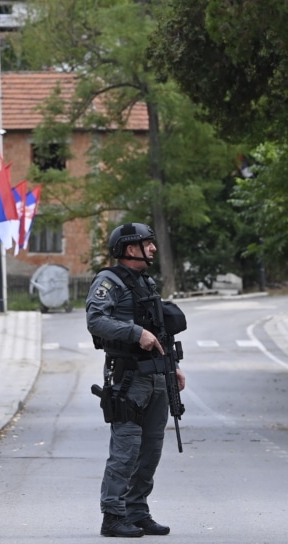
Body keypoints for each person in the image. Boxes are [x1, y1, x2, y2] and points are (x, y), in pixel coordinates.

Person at [86, 222, 186, 538]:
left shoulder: (145, 281)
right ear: (131, 249)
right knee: (126, 449)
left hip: (157, 376)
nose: (153, 248)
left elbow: (159, 329)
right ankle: (113, 516)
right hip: (127, 378)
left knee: (150, 450)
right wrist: (134, 333)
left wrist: (174, 365)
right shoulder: (108, 281)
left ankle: (137, 511)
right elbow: (96, 320)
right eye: (148, 243)